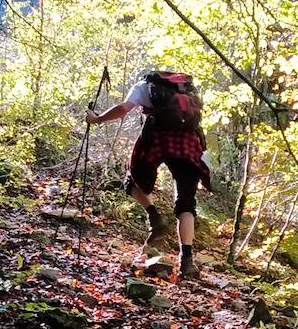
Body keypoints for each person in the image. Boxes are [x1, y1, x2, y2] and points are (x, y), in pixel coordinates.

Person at [85, 71, 211, 278]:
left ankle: (155, 217)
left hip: (156, 139)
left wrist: (97, 119)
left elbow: (124, 108)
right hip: (190, 143)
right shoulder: (187, 89)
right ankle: (187, 261)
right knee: (186, 203)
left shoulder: (145, 86)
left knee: (132, 180)